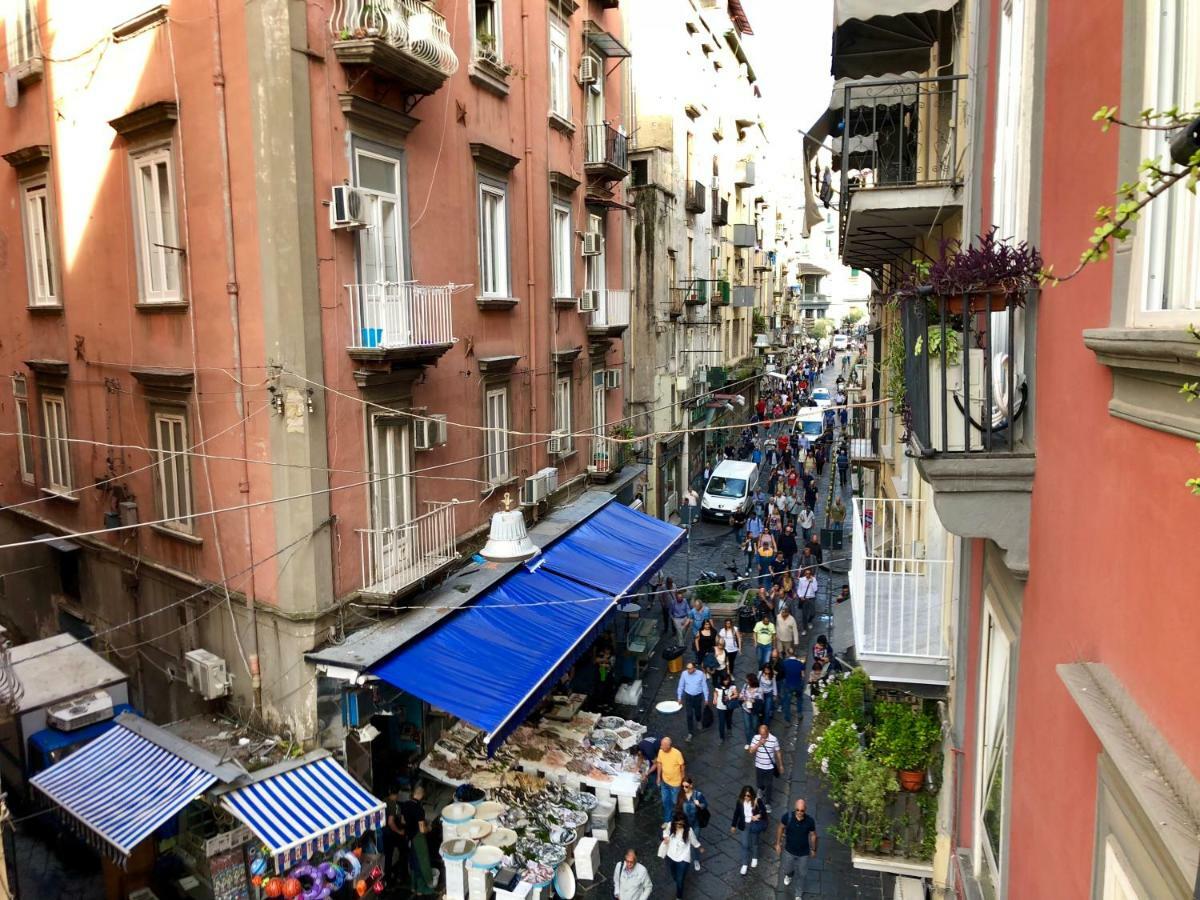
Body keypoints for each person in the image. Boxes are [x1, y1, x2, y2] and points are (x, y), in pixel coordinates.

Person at [775, 798, 819, 894]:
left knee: (802, 874)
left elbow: (813, 835)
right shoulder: (787, 817)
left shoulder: (809, 821)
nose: (799, 812)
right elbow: (780, 828)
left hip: (803, 853)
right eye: (797, 810)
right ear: (795, 809)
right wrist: (778, 843)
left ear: (805, 810)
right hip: (789, 851)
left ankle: (798, 893)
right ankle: (789, 874)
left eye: (802, 810)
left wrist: (814, 849)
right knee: (787, 869)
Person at [660, 814, 703, 899]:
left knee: (679, 880)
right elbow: (665, 831)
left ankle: (679, 897)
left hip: (683, 857)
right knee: (674, 875)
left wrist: (699, 847)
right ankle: (680, 881)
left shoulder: (689, 831)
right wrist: (665, 837)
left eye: (681, 824)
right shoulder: (670, 825)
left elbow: (694, 840)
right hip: (671, 855)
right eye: (677, 824)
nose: (678, 826)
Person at [730, 785, 768, 876]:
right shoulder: (740, 802)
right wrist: (733, 825)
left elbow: (763, 811)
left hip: (754, 824)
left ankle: (755, 857)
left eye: (748, 796)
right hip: (744, 825)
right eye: (745, 795)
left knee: (754, 842)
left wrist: (757, 816)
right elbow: (737, 813)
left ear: (752, 795)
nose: (746, 798)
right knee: (744, 844)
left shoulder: (756, 801)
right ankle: (744, 864)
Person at [646, 737, 686, 824]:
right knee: (665, 802)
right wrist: (658, 777)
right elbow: (659, 763)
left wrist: (682, 778)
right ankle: (667, 821)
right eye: (661, 744)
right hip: (665, 782)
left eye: (663, 745)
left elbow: (682, 767)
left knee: (674, 802)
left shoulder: (677, 754)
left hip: (675, 784)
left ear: (669, 746)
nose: (660, 747)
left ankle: (678, 819)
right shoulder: (661, 751)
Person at [674, 778, 709, 869]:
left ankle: (696, 860)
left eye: (686, 786)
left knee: (695, 841)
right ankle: (683, 859)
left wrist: (699, 805)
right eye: (682, 786)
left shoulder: (698, 795)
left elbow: (705, 805)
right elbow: (677, 809)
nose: (684, 788)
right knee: (684, 842)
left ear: (691, 785)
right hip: (685, 824)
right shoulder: (681, 795)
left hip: (696, 823)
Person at [748, 723, 783, 813]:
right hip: (759, 766)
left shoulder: (773, 739)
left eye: (764, 734)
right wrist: (759, 744)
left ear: (768, 732)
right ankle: (760, 788)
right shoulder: (756, 738)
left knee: (769, 785)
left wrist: (781, 765)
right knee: (760, 783)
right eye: (761, 734)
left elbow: (778, 752)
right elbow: (751, 751)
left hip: (769, 767)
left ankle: (767, 803)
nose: (762, 736)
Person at [676, 661, 710, 742]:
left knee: (698, 712)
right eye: (687, 668)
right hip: (688, 697)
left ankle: (698, 720)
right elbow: (681, 686)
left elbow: (704, 686)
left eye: (690, 668)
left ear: (694, 668)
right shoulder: (684, 674)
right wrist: (679, 697)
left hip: (698, 697)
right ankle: (690, 733)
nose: (688, 670)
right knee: (689, 715)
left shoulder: (701, 674)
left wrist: (706, 698)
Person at [779, 647, 806, 724]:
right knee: (799, 699)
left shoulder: (785, 663)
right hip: (798, 684)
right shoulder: (800, 663)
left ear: (788, 653)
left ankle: (787, 719)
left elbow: (782, 673)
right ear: (795, 653)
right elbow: (803, 675)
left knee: (787, 702)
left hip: (788, 684)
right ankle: (799, 713)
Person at [740, 672, 763, 748]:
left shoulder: (759, 689)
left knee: (754, 726)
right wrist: (743, 698)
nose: (746, 681)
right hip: (745, 708)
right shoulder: (745, 686)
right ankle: (749, 742)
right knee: (747, 726)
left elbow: (761, 699)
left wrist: (754, 700)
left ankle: (754, 741)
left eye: (748, 680)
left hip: (754, 710)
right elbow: (741, 695)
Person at [713, 671, 738, 741]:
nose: (726, 681)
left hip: (729, 706)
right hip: (720, 707)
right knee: (721, 722)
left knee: (728, 719)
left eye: (727, 679)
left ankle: (729, 728)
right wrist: (714, 699)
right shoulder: (718, 686)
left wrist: (729, 697)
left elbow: (736, 694)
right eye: (725, 680)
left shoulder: (732, 686)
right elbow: (715, 692)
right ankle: (721, 737)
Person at [797, 569, 819, 634]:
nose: (808, 575)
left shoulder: (814, 579)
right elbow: (799, 589)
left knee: (813, 613)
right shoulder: (801, 580)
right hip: (804, 599)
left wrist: (811, 582)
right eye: (806, 573)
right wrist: (800, 596)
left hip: (811, 598)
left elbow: (815, 589)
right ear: (804, 574)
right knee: (804, 615)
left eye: (809, 573)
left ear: (810, 574)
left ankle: (809, 621)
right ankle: (804, 629)